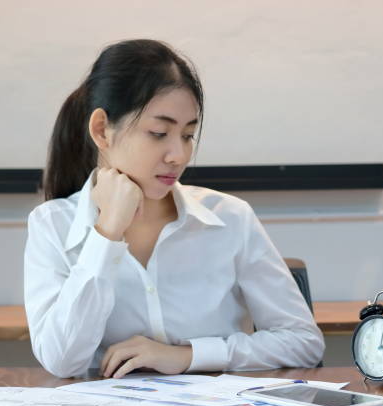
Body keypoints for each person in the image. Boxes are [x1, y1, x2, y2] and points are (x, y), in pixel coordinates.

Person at [24, 39, 324, 379]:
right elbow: (62, 361)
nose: (178, 156)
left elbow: (304, 342)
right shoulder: (52, 224)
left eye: (187, 135)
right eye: (159, 132)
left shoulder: (229, 218)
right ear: (101, 130)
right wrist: (107, 233)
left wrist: (189, 355)